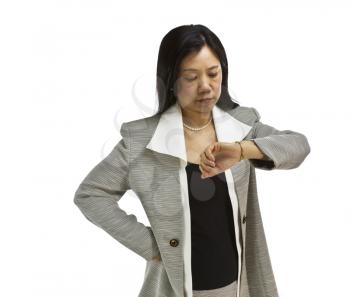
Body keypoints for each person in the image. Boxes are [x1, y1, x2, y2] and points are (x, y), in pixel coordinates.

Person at [74, 24, 311, 297]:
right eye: (190, 77)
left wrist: (243, 149)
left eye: (213, 74)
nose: (206, 87)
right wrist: (152, 246)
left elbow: (298, 146)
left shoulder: (242, 124)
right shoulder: (141, 140)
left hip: (237, 286)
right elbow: (90, 194)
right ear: (171, 81)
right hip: (173, 287)